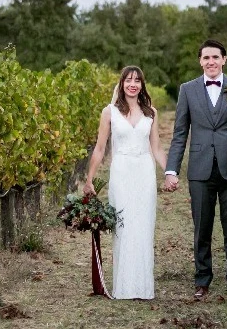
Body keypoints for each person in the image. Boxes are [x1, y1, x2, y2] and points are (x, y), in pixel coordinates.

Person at [164, 39, 227, 301]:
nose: (211, 62)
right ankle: (202, 281)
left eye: (215, 57)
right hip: (200, 170)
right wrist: (172, 169)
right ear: (200, 61)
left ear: (224, 59)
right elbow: (180, 134)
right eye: (206, 58)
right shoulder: (187, 90)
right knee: (201, 228)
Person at [83, 65, 167, 300]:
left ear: (142, 85)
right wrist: (89, 178)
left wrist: (170, 172)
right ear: (121, 84)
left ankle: (143, 287)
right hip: (121, 173)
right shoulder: (109, 112)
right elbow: (100, 148)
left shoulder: (151, 112)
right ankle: (124, 287)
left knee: (143, 225)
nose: (133, 84)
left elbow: (157, 147)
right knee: (123, 226)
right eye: (128, 80)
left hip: (144, 172)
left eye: (137, 80)